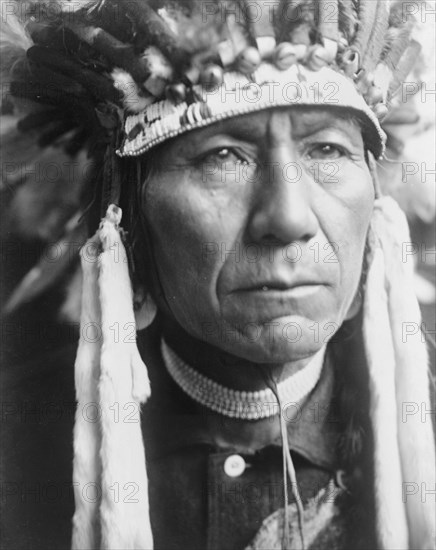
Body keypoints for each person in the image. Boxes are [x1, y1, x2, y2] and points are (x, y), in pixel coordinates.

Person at [1, 1, 435, 549]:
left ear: (375, 207)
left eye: (327, 148)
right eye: (223, 156)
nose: (289, 217)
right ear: (124, 224)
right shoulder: (15, 453)